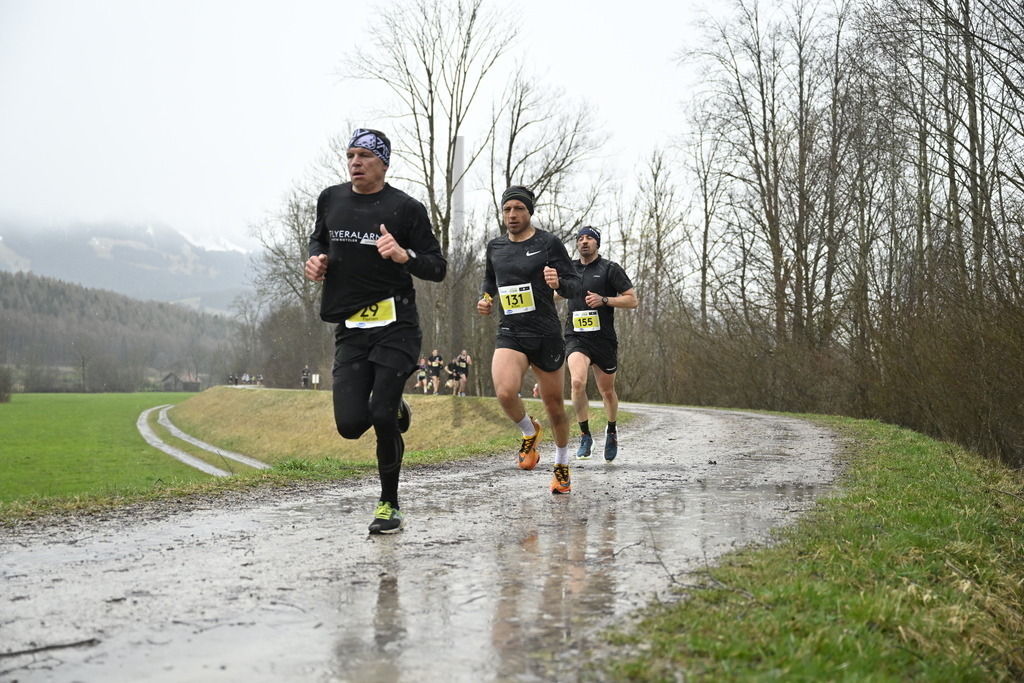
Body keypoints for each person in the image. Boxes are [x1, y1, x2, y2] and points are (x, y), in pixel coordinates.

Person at [305, 127, 446, 534]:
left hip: (397, 326)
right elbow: (319, 241)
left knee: (379, 413)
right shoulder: (330, 199)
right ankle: (397, 408)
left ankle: (389, 504)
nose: (355, 163)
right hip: (351, 327)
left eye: (364, 156)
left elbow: (437, 266)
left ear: (383, 162)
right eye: (350, 155)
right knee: (350, 425)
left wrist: (405, 255)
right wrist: (315, 260)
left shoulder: (406, 208)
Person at [477, 185, 582, 494]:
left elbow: (575, 285)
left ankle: (561, 465)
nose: (512, 214)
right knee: (506, 392)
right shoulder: (495, 247)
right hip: (511, 331)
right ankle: (529, 431)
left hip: (545, 333)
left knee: (554, 407)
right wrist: (485, 298)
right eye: (507, 209)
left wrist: (559, 282)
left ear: (529, 211)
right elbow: (489, 278)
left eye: (519, 209)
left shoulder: (549, 243)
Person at [561, 226, 637, 461]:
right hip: (576, 337)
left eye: (590, 238)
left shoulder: (610, 269)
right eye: (580, 238)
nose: (584, 242)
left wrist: (604, 300)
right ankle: (585, 436)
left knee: (607, 390)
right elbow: (557, 293)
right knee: (576, 382)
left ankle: (611, 430)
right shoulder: (569, 269)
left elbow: (632, 300)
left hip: (603, 339)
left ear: (597, 244)